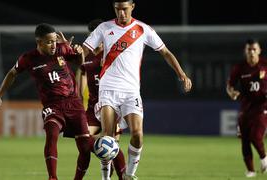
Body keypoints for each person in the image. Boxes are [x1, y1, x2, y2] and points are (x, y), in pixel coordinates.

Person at [82, 0, 192, 179]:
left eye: (124, 9)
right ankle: (105, 177)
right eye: (117, 9)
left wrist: (182, 74)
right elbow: (84, 50)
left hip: (131, 91)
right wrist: (66, 51)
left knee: (137, 134)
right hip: (108, 89)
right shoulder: (104, 27)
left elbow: (165, 52)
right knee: (108, 138)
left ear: (132, 6)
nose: (121, 13)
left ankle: (129, 175)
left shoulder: (143, 29)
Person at [0, 23, 95, 180]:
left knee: (85, 147)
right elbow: (12, 73)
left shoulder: (62, 49)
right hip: (52, 105)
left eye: (54, 41)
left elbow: (80, 65)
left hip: (74, 103)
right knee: (51, 134)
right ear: (39, 42)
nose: (53, 45)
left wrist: (79, 53)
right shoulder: (28, 58)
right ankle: (52, 177)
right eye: (49, 42)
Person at [80, 19, 126, 180]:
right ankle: (108, 167)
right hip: (92, 108)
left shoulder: (112, 53)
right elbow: (83, 79)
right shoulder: (85, 56)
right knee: (83, 140)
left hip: (111, 106)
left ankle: (114, 175)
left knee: (110, 144)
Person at [226, 38, 267, 178]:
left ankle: (265, 159)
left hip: (262, 107)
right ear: (245, 51)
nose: (252, 52)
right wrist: (231, 93)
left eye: (254, 49)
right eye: (249, 49)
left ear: (259, 50)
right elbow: (230, 85)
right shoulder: (240, 68)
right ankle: (250, 170)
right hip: (246, 108)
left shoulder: (265, 65)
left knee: (256, 137)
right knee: (244, 139)